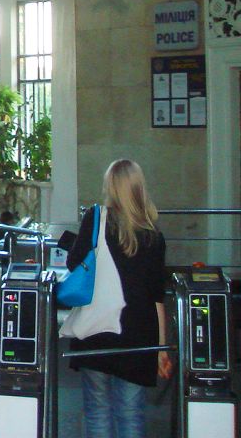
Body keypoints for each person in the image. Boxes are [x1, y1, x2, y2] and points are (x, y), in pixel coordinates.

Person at [66, 159, 172, 438]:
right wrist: (161, 348)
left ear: (110, 186)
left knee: (97, 409)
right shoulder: (154, 237)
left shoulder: (95, 218)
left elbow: (74, 263)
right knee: (131, 412)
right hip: (137, 335)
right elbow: (157, 298)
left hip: (97, 329)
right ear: (138, 188)